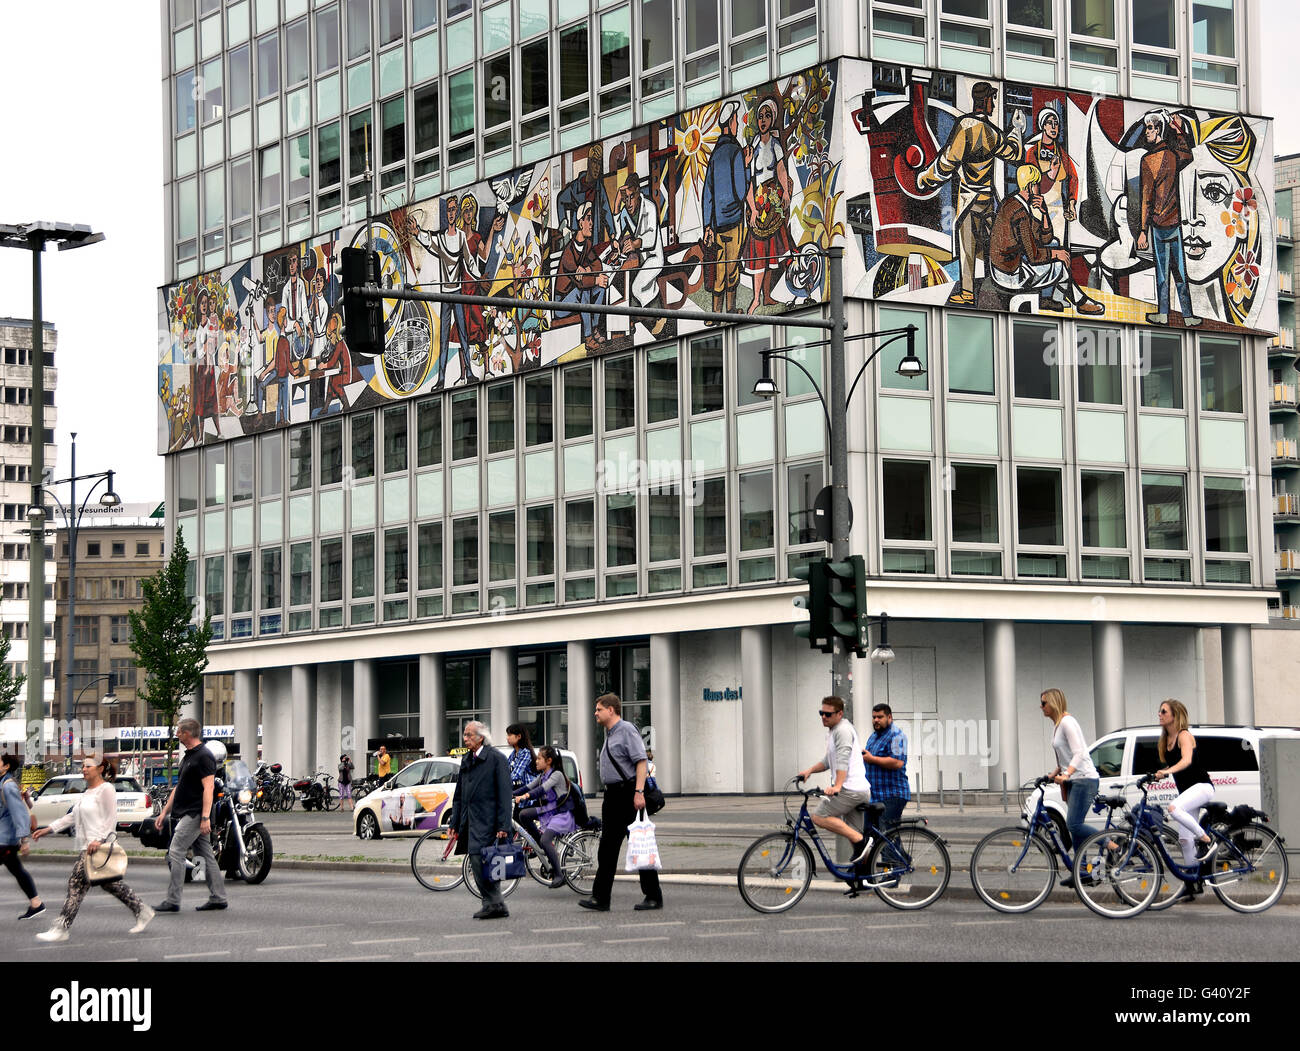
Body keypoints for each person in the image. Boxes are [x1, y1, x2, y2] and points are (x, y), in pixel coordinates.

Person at [916, 81, 1025, 305]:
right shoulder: (992, 133)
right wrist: (1017, 130)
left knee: (968, 248)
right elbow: (1014, 154)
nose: (994, 104)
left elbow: (946, 164)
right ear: (984, 101)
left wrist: (924, 179)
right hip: (987, 200)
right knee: (990, 247)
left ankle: (967, 293)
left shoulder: (965, 127)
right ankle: (995, 289)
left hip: (968, 199)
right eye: (992, 99)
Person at [31, 756, 153, 941]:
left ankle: (61, 928)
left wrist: (99, 840)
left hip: (96, 846)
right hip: (87, 847)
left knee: (76, 885)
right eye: (83, 766)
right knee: (109, 883)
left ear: (100, 768)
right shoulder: (88, 792)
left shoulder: (106, 789)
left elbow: (111, 818)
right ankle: (141, 910)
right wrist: (48, 829)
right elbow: (72, 816)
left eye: (88, 766)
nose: (84, 769)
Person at [580, 693, 662, 913]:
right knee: (607, 848)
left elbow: (641, 761)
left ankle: (653, 896)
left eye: (598, 709)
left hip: (627, 795)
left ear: (611, 710)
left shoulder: (626, 730)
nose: (595, 713)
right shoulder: (610, 733)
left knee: (639, 844)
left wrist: (638, 792)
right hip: (613, 796)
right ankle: (600, 898)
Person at [989, 164, 1104, 314]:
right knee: (1060, 264)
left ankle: (1048, 297)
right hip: (1010, 274)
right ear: (1030, 187)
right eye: (1037, 185)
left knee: (1055, 243)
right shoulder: (1019, 213)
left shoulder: (1013, 203)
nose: (1039, 189)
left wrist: (1044, 213)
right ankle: (1080, 303)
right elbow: (1034, 256)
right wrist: (1057, 254)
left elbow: (1045, 237)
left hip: (1005, 265)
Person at [152, 718, 228, 914]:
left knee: (175, 852)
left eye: (179, 731)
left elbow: (208, 787)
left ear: (187, 733)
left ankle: (173, 900)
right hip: (188, 812)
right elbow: (179, 787)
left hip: (195, 814)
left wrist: (205, 818)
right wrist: (164, 812)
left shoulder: (204, 756)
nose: (176, 734)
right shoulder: (188, 757)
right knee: (207, 855)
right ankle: (218, 898)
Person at [1136, 110, 1200, 327]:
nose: (1147, 132)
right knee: (1180, 272)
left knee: (1163, 273)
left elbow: (1146, 197)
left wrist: (1143, 230)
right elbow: (1188, 155)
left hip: (1158, 224)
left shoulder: (1148, 160)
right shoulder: (1174, 155)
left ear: (1158, 130)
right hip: (1173, 222)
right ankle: (1188, 316)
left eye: (1151, 128)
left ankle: (1164, 315)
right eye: (1147, 128)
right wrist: (1179, 130)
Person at [446, 721, 513, 919]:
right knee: (476, 862)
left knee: (485, 862)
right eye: (464, 735)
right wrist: (454, 823)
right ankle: (493, 903)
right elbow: (459, 795)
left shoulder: (496, 759)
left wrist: (504, 825)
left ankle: (494, 903)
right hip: (470, 820)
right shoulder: (467, 759)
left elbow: (504, 794)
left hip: (488, 820)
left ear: (480, 737)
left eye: (468, 735)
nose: (465, 739)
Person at [798, 696, 873, 865]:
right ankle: (865, 876)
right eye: (821, 713)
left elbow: (843, 760)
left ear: (839, 714)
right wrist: (809, 771)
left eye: (828, 714)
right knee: (856, 838)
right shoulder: (833, 730)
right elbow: (828, 761)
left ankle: (862, 842)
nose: (824, 717)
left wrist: (837, 786)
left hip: (851, 789)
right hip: (855, 789)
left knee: (819, 817)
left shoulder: (842, 731)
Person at [1154, 698, 1217, 900]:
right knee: (1183, 839)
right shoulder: (1166, 740)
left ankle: (1206, 839)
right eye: (1160, 711)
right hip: (1188, 792)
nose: (1160, 714)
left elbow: (1187, 760)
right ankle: (1193, 884)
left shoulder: (1184, 735)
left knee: (1173, 808)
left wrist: (1166, 771)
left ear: (1174, 715)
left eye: (1164, 711)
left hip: (1202, 787)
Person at [1040, 688, 1099, 886]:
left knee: (1073, 824)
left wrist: (1067, 774)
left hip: (1084, 779)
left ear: (1053, 703)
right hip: (1075, 779)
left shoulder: (1067, 722)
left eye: (1044, 703)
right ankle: (1082, 871)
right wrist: (1054, 772)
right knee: (1076, 827)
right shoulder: (1057, 725)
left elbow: (1079, 752)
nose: (1041, 707)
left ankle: (1110, 843)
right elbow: (1065, 755)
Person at [701, 100, 747, 317]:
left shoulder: (715, 154)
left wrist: (707, 225)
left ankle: (715, 315)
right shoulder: (735, 150)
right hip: (735, 221)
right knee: (732, 268)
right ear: (730, 123)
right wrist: (746, 167)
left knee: (719, 269)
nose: (738, 124)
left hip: (717, 224)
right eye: (736, 120)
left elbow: (707, 193)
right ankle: (730, 309)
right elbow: (741, 190)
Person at [513, 745, 574, 889]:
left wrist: (525, 797)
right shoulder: (542, 776)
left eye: (539, 758)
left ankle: (559, 875)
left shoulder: (556, 775)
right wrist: (510, 794)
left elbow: (541, 790)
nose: (536, 761)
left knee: (547, 839)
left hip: (561, 814)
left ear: (549, 761)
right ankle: (539, 844)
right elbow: (528, 787)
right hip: (549, 811)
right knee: (523, 815)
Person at [554, 202, 611, 352]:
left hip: (577, 296)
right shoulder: (568, 253)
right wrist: (594, 278)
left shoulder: (587, 245)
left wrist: (587, 269)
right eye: (589, 219)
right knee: (584, 291)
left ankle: (594, 327)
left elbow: (598, 264)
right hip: (561, 304)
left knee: (601, 287)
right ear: (580, 223)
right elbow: (579, 283)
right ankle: (588, 337)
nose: (592, 223)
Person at [0, 753, 43, 920]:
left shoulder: (8, 786)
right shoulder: (3, 783)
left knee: (17, 870)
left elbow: (20, 814)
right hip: (4, 839)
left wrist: (24, 840)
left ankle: (37, 903)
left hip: (5, 839)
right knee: (17, 870)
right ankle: (36, 903)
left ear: (6, 766)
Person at [861, 704, 910, 828]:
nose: (876, 720)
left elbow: (897, 762)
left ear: (889, 717)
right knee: (869, 835)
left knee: (887, 835)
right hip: (874, 796)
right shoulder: (873, 737)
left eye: (880, 717)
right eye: (874, 717)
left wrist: (872, 759)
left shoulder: (897, 736)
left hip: (892, 795)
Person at [505, 724, 537, 792]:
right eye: (507, 735)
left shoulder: (525, 753)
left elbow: (516, 774)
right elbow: (506, 770)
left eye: (510, 735)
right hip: (518, 792)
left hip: (528, 793)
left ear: (519, 736)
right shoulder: (513, 754)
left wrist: (501, 782)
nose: (507, 738)